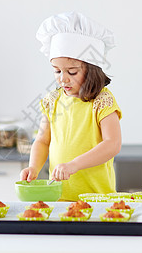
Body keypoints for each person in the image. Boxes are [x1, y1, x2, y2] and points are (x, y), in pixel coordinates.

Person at [20, 11, 122, 201]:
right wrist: (33, 167)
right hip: (59, 197)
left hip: (97, 198)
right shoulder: (53, 100)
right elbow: (42, 141)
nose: (63, 78)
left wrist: (74, 164)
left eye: (72, 72)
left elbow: (112, 144)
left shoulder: (102, 101)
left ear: (92, 70)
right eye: (57, 70)